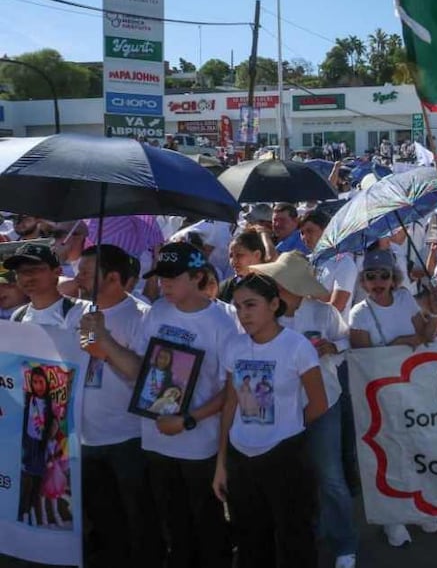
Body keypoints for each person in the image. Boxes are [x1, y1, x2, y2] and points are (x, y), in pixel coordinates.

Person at [80, 242, 239, 568]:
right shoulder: (157, 312)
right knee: (174, 532)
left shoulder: (224, 323)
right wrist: (103, 342)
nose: (163, 284)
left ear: (197, 277)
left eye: (172, 277)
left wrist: (188, 420)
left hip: (199, 447)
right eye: (160, 276)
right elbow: (140, 368)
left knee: (208, 533)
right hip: (155, 443)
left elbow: (231, 391)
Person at [248, 252, 358, 568]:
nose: (270, 286)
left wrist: (332, 347)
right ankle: (303, 535)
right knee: (290, 477)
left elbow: (348, 342)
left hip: (323, 403)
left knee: (330, 475)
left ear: (290, 286)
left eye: (276, 282)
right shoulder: (267, 316)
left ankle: (345, 543)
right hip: (281, 405)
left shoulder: (323, 314)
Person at [213, 272, 328, 568]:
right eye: (237, 307)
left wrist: (287, 430)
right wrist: (221, 463)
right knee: (251, 543)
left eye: (250, 305)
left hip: (285, 457)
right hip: (241, 458)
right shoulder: (233, 347)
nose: (243, 314)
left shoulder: (297, 346)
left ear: (274, 304)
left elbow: (318, 403)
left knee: (295, 541)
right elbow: (230, 404)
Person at [348, 249, 437, 545]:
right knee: (387, 455)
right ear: (363, 280)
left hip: (412, 390)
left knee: (417, 448)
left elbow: (424, 336)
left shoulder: (403, 299)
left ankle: (420, 506)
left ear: (393, 278)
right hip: (380, 395)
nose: (378, 281)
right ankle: (392, 517)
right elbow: (362, 360)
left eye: (384, 275)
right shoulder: (359, 313)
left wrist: (434, 314)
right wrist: (398, 345)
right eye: (371, 276)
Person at [6, 242, 88, 327]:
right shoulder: (18, 316)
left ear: (57, 272)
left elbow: (91, 339)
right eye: (20, 272)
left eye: (34, 270)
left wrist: (94, 335)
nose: (26, 278)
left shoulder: (84, 309)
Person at [299, 210, 357, 313]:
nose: (305, 237)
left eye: (310, 231)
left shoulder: (343, 263)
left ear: (327, 231)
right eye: (302, 233)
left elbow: (337, 307)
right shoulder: (303, 261)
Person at [19, 366, 52, 527]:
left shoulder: (49, 403)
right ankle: (22, 513)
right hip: (27, 444)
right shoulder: (27, 399)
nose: (38, 385)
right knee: (25, 481)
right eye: (34, 382)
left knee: (36, 483)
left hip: (41, 446)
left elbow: (53, 427)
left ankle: (31, 513)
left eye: (41, 381)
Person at [220, 231, 270, 304]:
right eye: (231, 256)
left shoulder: (274, 286)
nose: (233, 261)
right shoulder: (224, 288)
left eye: (239, 255)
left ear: (257, 255)